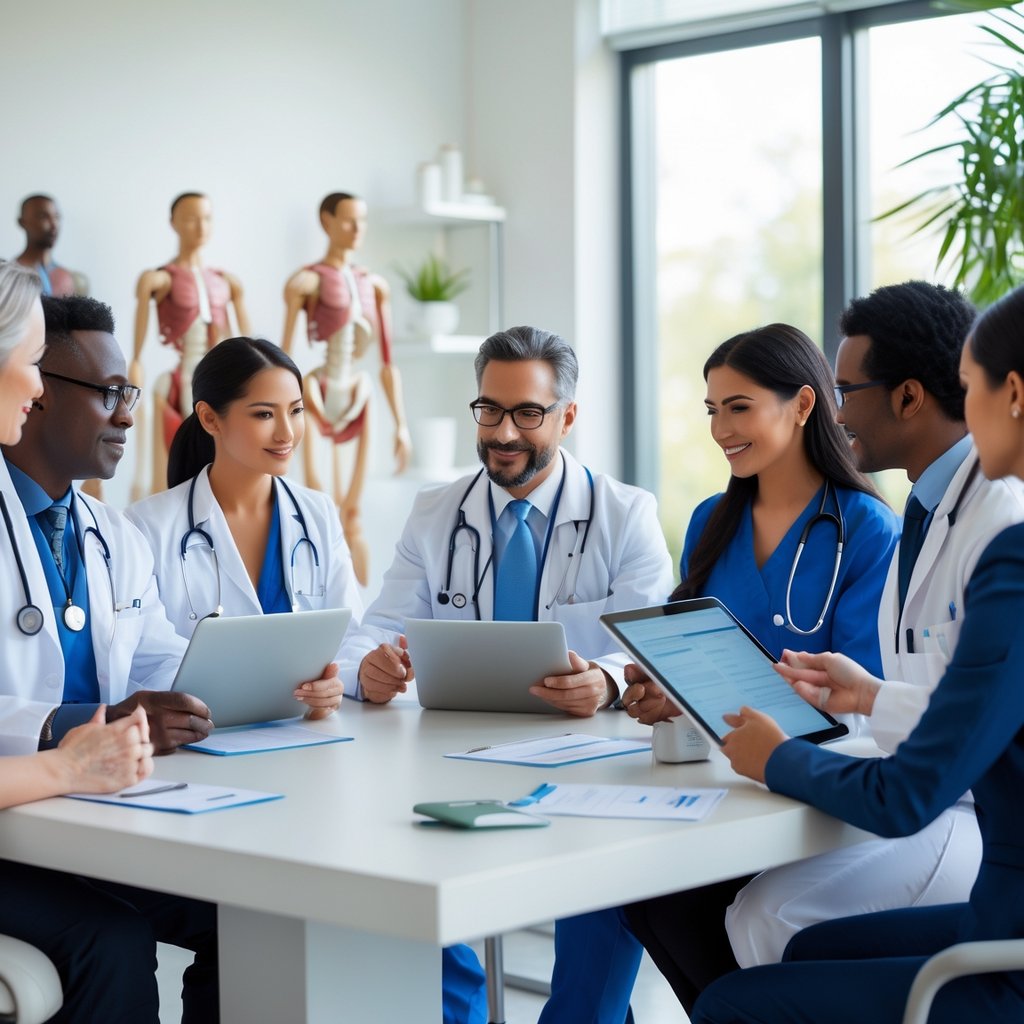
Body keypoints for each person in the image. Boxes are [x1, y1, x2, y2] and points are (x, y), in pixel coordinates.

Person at [691, 283, 1024, 1024]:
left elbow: (915, 789)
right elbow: (985, 705)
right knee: (803, 952)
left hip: (1003, 917)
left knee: (734, 997)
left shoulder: (1007, 535)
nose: (835, 409)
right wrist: (872, 695)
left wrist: (776, 757)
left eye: (844, 390)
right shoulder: (933, 507)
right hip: (995, 894)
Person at [549, 323, 900, 1024]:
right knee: (638, 888)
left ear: (803, 405)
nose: (719, 429)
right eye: (711, 409)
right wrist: (662, 690)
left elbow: (857, 700)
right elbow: (697, 657)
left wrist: (729, 698)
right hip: (720, 783)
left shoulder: (866, 528)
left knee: (672, 897)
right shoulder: (713, 519)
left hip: (807, 791)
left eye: (738, 406)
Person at [339, 324, 674, 1024]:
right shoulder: (437, 511)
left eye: (527, 413)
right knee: (395, 874)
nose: (503, 432)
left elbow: (650, 643)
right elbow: (376, 628)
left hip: (587, 765)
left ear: (568, 416)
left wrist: (608, 681)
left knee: (602, 890)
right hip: (448, 756)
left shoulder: (625, 513)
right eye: (489, 410)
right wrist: (366, 670)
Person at [0, 263, 214, 1023]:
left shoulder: (112, 533)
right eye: (108, 392)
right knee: (112, 938)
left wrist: (226, 686)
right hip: (15, 820)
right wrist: (65, 731)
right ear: (39, 387)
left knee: (236, 912)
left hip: (90, 806)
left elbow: (157, 655)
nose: (127, 414)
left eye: (129, 393)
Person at [127, 337, 362, 717]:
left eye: (296, 410)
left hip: (308, 739)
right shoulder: (147, 525)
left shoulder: (317, 513)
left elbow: (350, 635)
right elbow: (144, 660)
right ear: (209, 418)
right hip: (203, 742)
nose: (287, 433)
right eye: (264, 415)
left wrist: (335, 683)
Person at [281, 191, 411, 586]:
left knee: (354, 514)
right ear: (327, 222)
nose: (358, 230)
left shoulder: (375, 285)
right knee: (320, 507)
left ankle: (361, 618)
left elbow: (388, 361)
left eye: (363, 221)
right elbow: (282, 357)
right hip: (316, 390)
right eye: (349, 221)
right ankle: (320, 603)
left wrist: (401, 424)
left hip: (358, 393)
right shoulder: (305, 282)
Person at [131, 192, 251, 499]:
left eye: (207, 218)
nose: (201, 227)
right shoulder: (158, 280)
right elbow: (137, 352)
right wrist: (134, 366)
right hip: (184, 378)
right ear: (174, 223)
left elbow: (250, 346)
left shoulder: (228, 282)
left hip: (220, 379)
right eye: (191, 218)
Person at [13, 194, 88, 297]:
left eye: (57, 217)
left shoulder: (75, 281)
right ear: (22, 222)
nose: (54, 224)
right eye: (43, 216)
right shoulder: (6, 278)